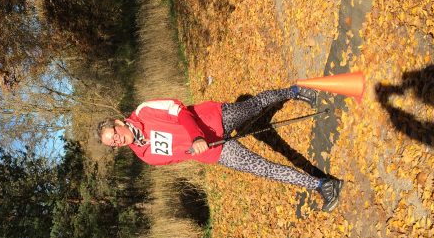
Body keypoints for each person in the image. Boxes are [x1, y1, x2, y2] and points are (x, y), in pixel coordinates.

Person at [97, 86, 342, 212]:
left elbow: (178, 109)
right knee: (263, 168)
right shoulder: (144, 156)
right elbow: (179, 156)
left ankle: (296, 91)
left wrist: (196, 137)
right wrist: (199, 149)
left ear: (118, 123)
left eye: (114, 134)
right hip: (215, 150)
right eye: (113, 143)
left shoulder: (144, 111)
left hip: (215, 119)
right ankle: (322, 185)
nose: (117, 140)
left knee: (255, 105)